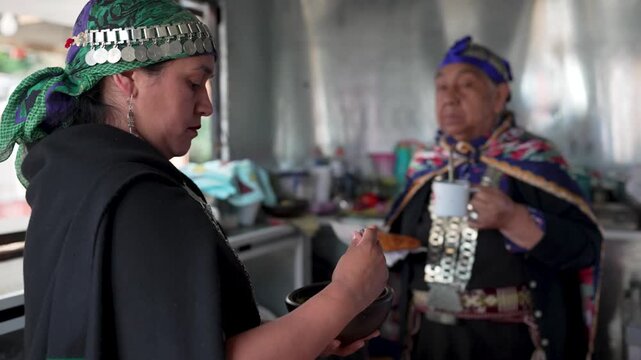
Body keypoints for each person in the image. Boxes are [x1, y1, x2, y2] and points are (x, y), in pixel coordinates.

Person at [0, 1, 388, 359]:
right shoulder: (141, 197)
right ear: (128, 79)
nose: (207, 105)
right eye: (193, 83)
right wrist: (347, 294)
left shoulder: (75, 173)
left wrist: (308, 337)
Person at [384, 36, 602, 360]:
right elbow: (401, 249)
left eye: (466, 86)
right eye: (442, 88)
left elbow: (586, 248)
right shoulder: (426, 164)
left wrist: (514, 219)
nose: (450, 98)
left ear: (498, 97)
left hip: (510, 339)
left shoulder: (534, 159)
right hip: (430, 338)